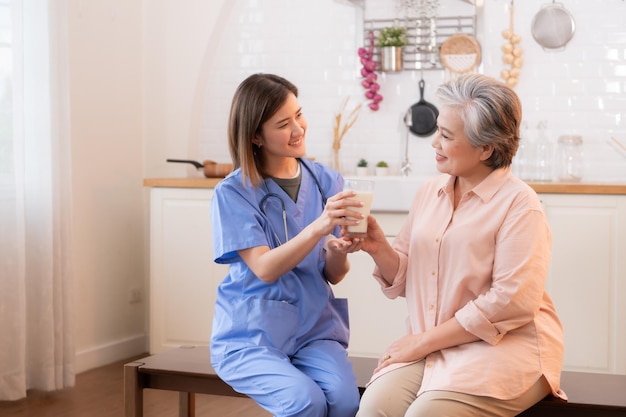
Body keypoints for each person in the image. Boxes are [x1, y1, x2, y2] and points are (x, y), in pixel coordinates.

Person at [355, 74, 566, 417]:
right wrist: (379, 247)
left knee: (425, 414)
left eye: (446, 136)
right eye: (438, 130)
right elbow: (409, 275)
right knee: (375, 408)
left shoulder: (519, 204)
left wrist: (422, 341)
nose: (434, 142)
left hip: (503, 346)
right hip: (439, 344)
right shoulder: (430, 191)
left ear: (487, 148)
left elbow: (510, 302)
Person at [210, 73, 362, 417]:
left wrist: (337, 252)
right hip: (252, 334)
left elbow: (334, 275)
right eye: (283, 123)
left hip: (314, 330)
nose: (298, 128)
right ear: (255, 136)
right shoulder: (233, 192)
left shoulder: (327, 180)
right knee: (304, 401)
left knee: (345, 402)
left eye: (299, 114)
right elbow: (264, 269)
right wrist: (320, 226)